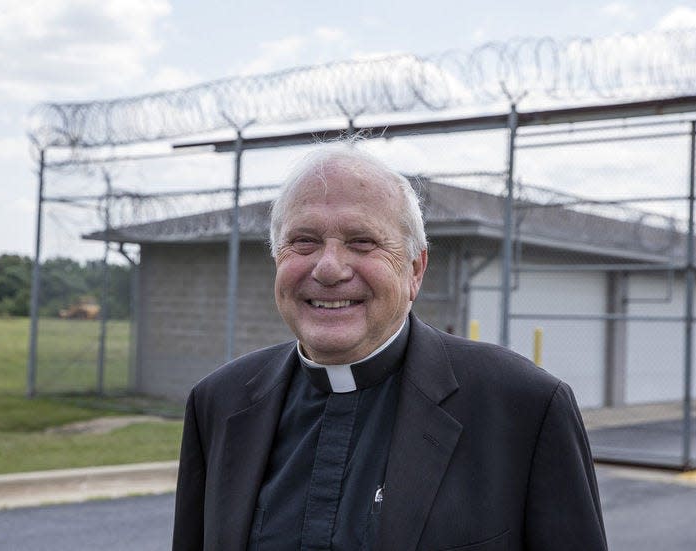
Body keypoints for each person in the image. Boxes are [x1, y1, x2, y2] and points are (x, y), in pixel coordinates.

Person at [172, 143, 607, 550]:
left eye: (362, 241)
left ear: (415, 270)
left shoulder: (525, 408)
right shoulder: (219, 405)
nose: (328, 268)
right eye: (304, 241)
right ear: (277, 259)